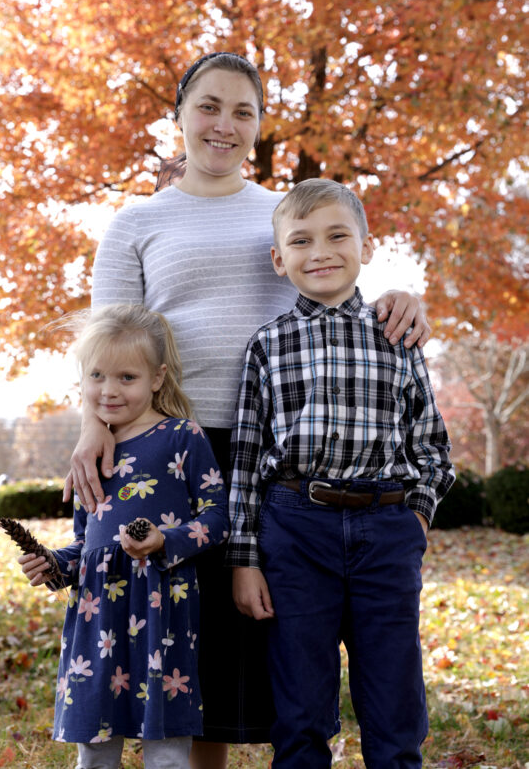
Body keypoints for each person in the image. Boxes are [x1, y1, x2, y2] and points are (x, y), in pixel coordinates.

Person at [65, 52, 433, 769]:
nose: (223, 125)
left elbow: (335, 281)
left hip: (270, 456)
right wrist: (92, 424)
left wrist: (404, 296)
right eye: (208, 106)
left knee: (246, 654)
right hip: (169, 450)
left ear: (258, 128)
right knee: (182, 636)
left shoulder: (281, 213)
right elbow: (102, 342)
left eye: (243, 112)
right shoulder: (136, 221)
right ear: (178, 115)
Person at [227, 178, 455, 768]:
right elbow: (249, 460)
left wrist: (416, 518)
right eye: (300, 241)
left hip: (385, 528)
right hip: (296, 530)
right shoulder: (268, 345)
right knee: (300, 704)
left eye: (336, 235)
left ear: (366, 246)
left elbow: (431, 442)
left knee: (394, 699)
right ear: (280, 260)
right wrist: (245, 559)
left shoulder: (398, 336)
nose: (320, 251)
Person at [18, 304, 230, 769]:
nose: (109, 390)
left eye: (126, 378)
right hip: (99, 618)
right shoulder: (91, 453)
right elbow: (85, 542)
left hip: (164, 608)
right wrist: (55, 564)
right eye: (96, 375)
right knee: (94, 750)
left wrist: (165, 541)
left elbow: (218, 516)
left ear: (157, 378)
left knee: (168, 751)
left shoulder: (182, 437)